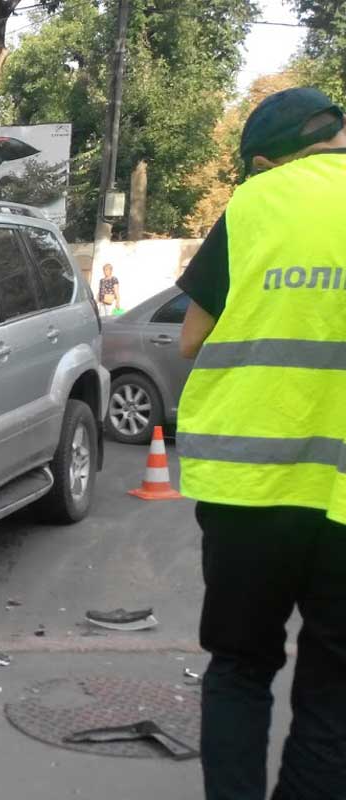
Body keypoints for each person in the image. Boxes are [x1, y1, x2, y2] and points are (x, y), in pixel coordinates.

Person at [175, 86, 346, 800]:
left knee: (241, 670)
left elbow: (190, 342)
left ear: (268, 159)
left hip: (248, 491)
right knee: (335, 692)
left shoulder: (251, 207)